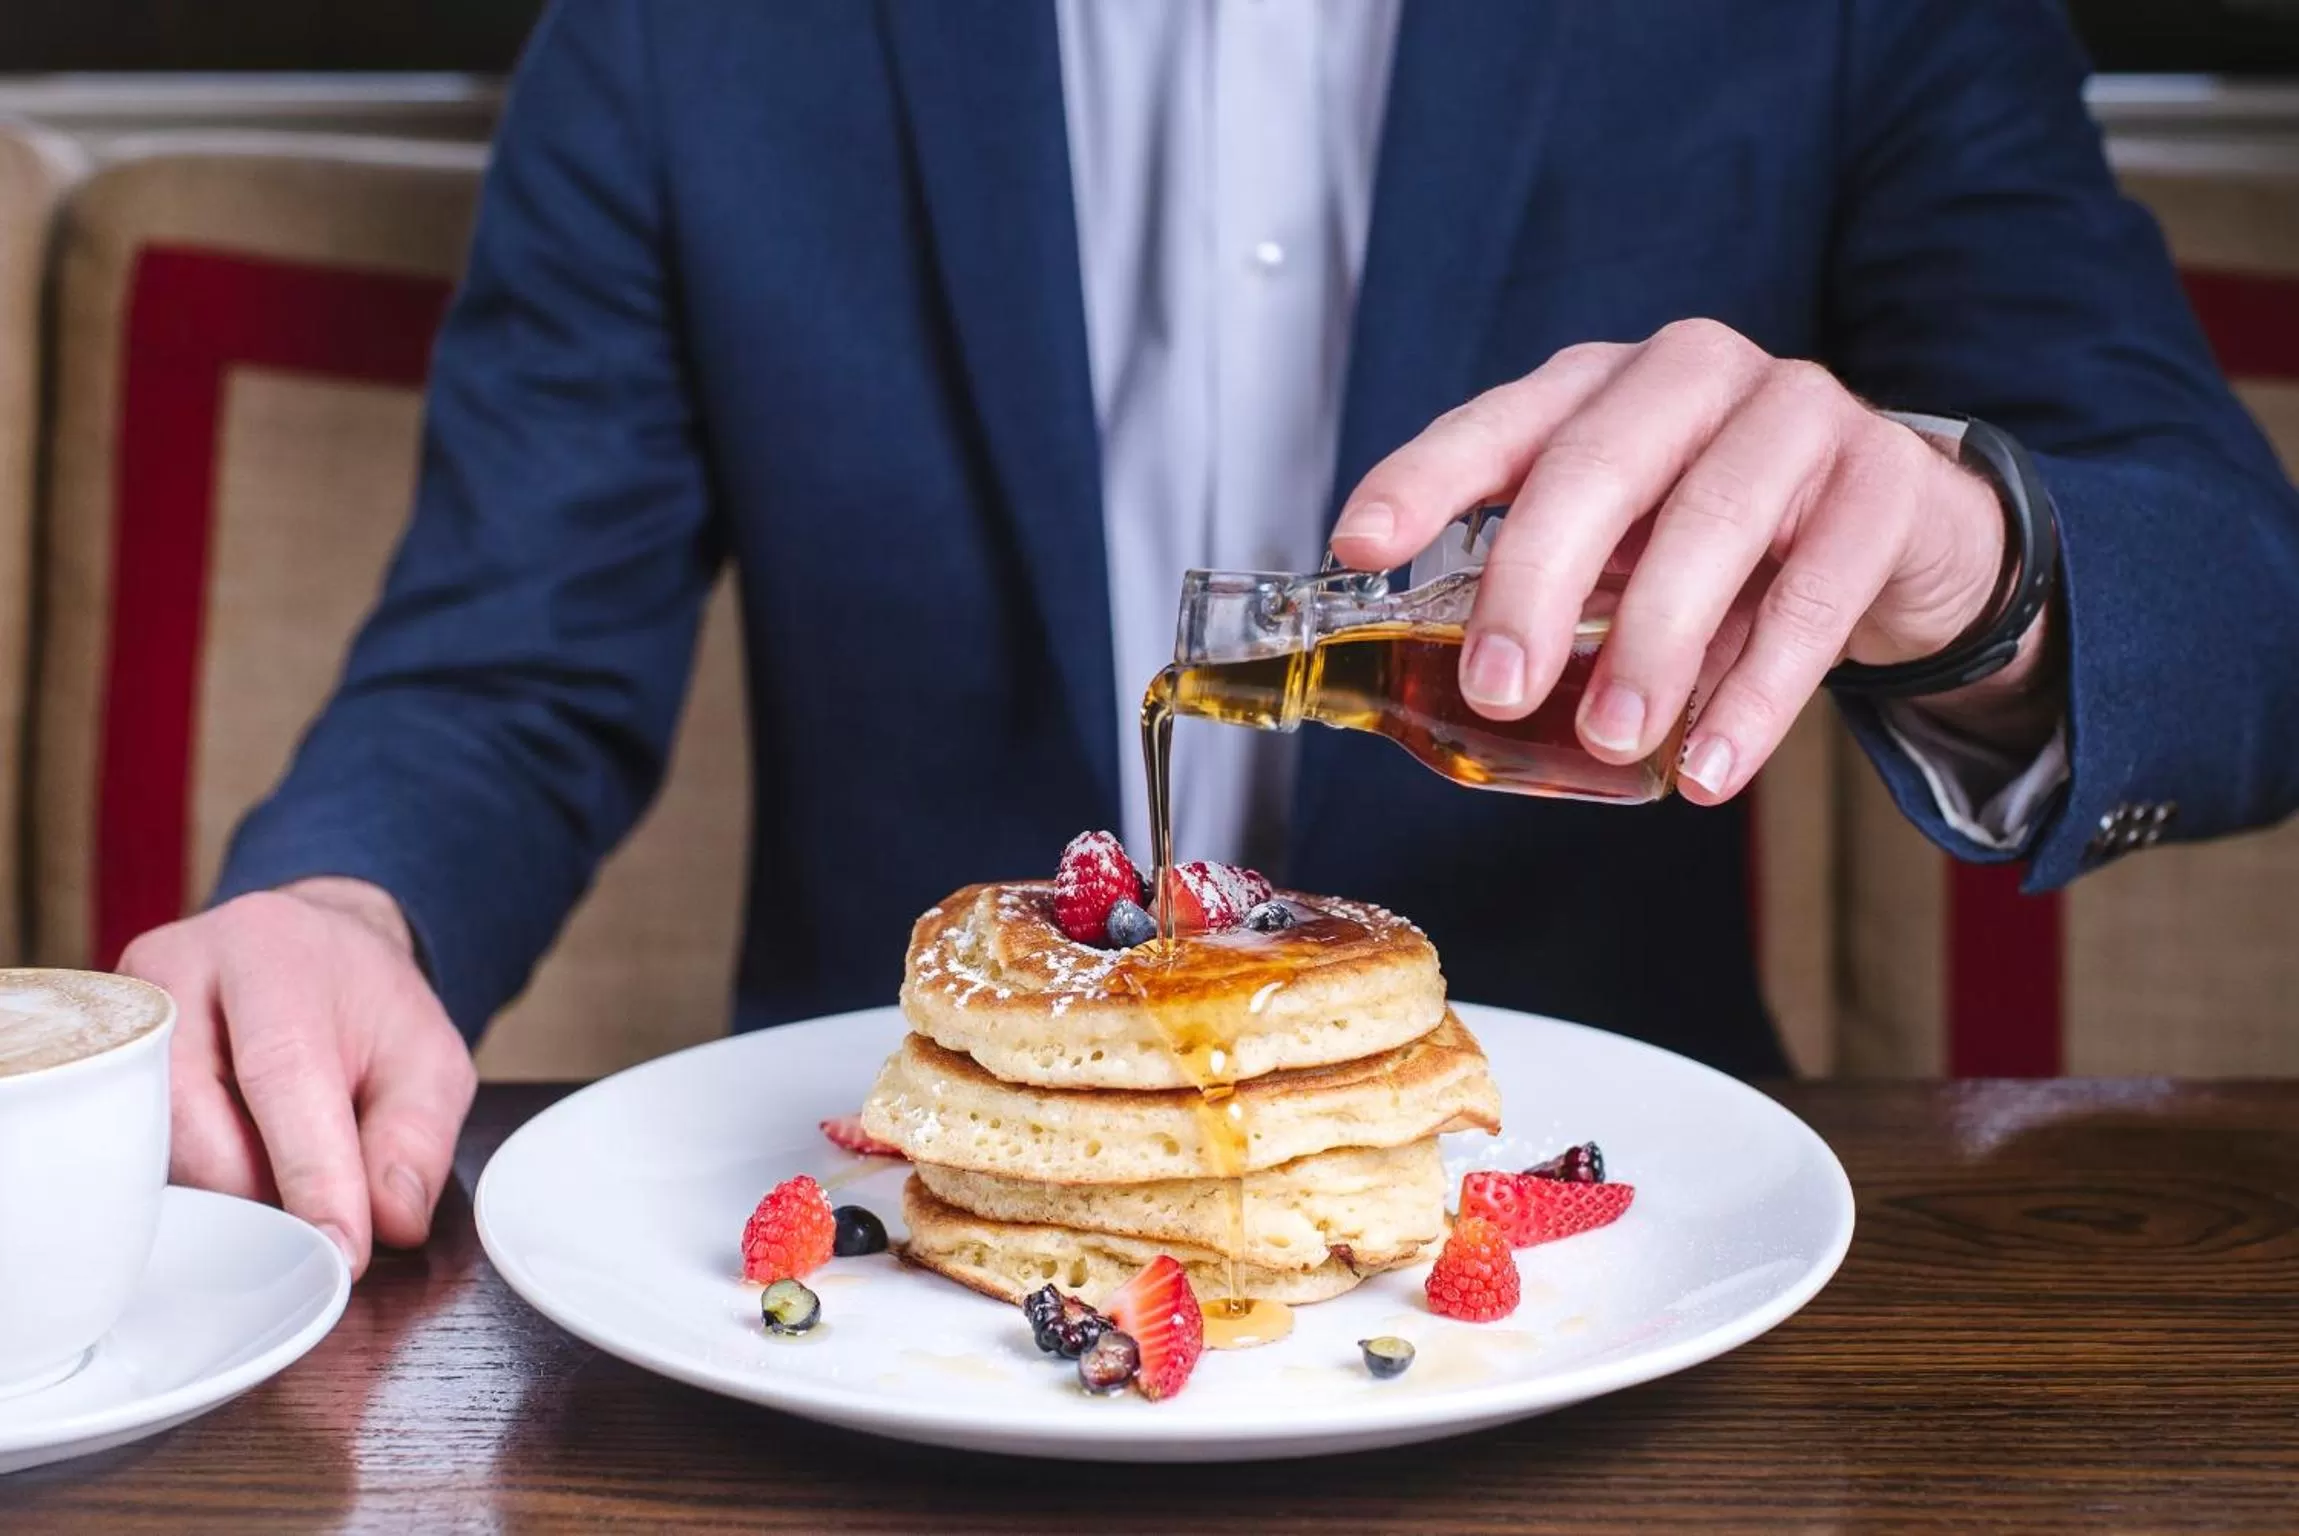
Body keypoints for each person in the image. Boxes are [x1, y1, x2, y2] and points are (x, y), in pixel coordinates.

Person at [119, 1, 2299, 1275]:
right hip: (896, 1287)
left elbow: (2243, 614)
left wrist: (1965, 557)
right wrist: (336, 903)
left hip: (1594, 1282)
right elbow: (507, 669)